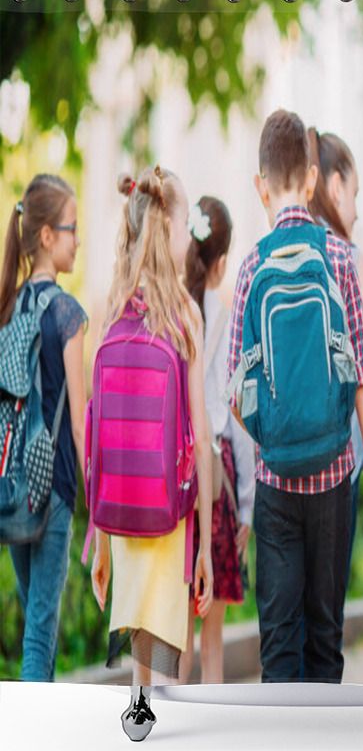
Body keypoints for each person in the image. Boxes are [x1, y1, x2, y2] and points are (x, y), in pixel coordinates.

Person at [227, 108, 363, 683]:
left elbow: (233, 395)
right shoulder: (343, 260)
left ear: (260, 186)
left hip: (275, 489)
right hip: (334, 481)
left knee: (280, 650)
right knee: (325, 644)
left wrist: (274, 433)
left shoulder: (249, 270)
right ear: (314, 180)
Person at [90, 166, 214, 687]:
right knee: (166, 669)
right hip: (168, 520)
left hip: (120, 518)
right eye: (186, 228)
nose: (190, 240)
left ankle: (144, 722)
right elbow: (202, 442)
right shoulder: (184, 313)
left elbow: (101, 434)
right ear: (168, 229)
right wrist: (207, 543)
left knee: (142, 668)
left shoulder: (111, 306)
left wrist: (99, 541)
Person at [0, 175, 87, 681]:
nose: (79, 239)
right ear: (48, 237)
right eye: (72, 228)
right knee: (39, 634)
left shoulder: (7, 309)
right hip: (52, 489)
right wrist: (94, 497)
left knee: (38, 630)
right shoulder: (68, 314)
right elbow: (80, 423)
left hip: (11, 488)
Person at [178, 196, 256, 684]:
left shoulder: (174, 313)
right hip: (221, 478)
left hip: (181, 475)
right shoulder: (227, 321)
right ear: (223, 262)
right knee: (212, 642)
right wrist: (246, 505)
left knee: (177, 633)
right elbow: (239, 415)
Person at [307, 128, 363, 587]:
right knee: (328, 612)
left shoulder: (281, 250)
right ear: (332, 186)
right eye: (353, 192)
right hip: (340, 461)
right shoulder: (348, 258)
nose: (356, 208)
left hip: (287, 460)